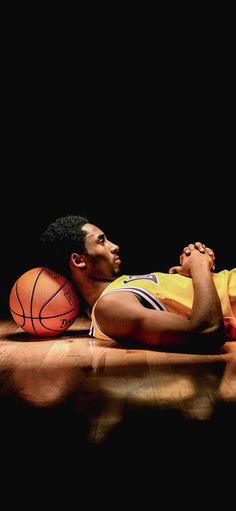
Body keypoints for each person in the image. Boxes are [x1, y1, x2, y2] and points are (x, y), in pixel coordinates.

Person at [40, 214, 236, 352]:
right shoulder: (109, 307)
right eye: (101, 242)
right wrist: (199, 265)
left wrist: (187, 274)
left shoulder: (121, 287)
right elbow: (206, 332)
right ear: (78, 260)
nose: (114, 246)